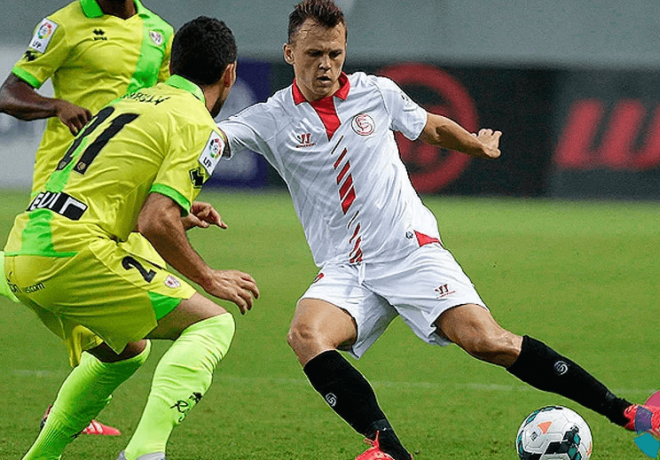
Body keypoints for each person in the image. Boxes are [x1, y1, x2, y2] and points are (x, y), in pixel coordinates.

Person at [215, 1, 660, 459]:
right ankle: (388, 450)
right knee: (305, 334)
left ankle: (629, 414)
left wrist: (474, 144)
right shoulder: (269, 117)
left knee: (487, 341)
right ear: (289, 53)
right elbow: (212, 141)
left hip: (409, 250)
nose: (325, 65)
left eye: (335, 53)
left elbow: (429, 128)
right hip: (346, 267)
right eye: (313, 55)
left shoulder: (377, 93)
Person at [5, 15, 259, 460]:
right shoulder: (198, 123)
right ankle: (145, 452)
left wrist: (177, 215)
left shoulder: (127, 103)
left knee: (127, 349)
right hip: (72, 253)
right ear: (230, 73)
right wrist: (209, 276)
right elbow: (154, 222)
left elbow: (130, 201)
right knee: (213, 322)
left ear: (174, 63)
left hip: (23, 248)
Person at [0, 0, 174, 435]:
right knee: (115, 317)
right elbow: (9, 93)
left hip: (122, 186)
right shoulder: (64, 23)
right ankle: (68, 411)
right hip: (64, 182)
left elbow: (173, 104)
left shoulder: (161, 32)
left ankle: (66, 407)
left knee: (140, 302)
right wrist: (56, 105)